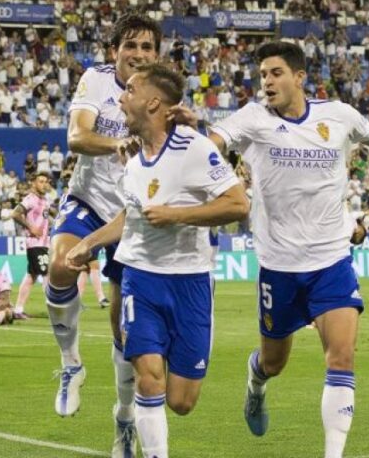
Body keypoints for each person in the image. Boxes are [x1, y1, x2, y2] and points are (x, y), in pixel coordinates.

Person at [170, 41, 369, 458]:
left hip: (331, 261)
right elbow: (214, 142)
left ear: (299, 77)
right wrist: (195, 133)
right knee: (274, 363)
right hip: (279, 266)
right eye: (262, 76)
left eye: (275, 73)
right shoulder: (253, 119)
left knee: (341, 357)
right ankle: (255, 384)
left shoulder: (339, 116)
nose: (267, 82)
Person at [66, 63, 249, 457]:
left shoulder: (194, 147)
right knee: (149, 379)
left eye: (129, 90)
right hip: (141, 281)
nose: (120, 98)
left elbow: (238, 204)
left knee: (181, 401)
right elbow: (131, 216)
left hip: (190, 282)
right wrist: (89, 244)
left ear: (152, 102)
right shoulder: (132, 160)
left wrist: (177, 215)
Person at [45, 13, 161, 457]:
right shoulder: (94, 81)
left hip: (131, 216)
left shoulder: (161, 96)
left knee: (124, 333)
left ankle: (125, 416)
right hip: (89, 202)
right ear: (115, 50)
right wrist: (116, 145)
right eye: (130, 45)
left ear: (157, 55)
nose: (138, 54)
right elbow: (77, 136)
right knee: (60, 263)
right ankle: (71, 364)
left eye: (147, 47)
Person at [10, 172, 55, 319]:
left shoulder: (45, 201)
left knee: (32, 276)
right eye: (40, 181)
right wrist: (31, 227)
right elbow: (15, 214)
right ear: (34, 184)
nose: (43, 184)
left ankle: (18, 310)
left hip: (44, 243)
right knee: (47, 273)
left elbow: (48, 217)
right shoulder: (30, 199)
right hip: (35, 243)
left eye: (46, 181)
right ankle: (53, 308)